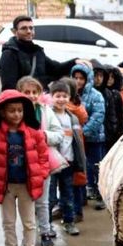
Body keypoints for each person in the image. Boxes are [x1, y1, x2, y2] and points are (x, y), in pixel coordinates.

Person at [0, 90, 50, 246]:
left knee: (29, 222)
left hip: (26, 185)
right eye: (12, 110)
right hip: (6, 186)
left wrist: (41, 174)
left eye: (20, 110)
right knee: (8, 221)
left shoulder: (34, 133)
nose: (17, 114)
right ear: (2, 112)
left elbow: (44, 156)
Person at [17, 76, 63, 246]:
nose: (31, 96)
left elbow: (58, 134)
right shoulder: (14, 111)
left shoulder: (45, 111)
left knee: (43, 201)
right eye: (26, 92)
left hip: (42, 162)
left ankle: (45, 232)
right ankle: (28, 236)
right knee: (26, 202)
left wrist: (44, 136)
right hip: (21, 164)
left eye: (34, 92)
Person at [0, 15, 79, 91]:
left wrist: (75, 62)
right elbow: (8, 87)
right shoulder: (9, 54)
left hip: (40, 100)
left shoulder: (37, 52)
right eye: (24, 28)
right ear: (14, 31)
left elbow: (56, 69)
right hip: (24, 102)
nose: (29, 31)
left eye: (31, 28)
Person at [47, 80, 84, 235]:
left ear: (69, 97)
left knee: (67, 194)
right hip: (51, 163)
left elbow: (77, 141)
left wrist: (80, 161)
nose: (61, 99)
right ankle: (46, 225)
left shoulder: (72, 118)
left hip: (68, 162)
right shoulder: (47, 115)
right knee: (49, 197)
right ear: (51, 97)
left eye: (64, 96)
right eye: (57, 96)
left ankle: (69, 222)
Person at [69, 64, 105, 205]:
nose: (78, 81)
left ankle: (101, 192)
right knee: (81, 168)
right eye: (75, 78)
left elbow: (98, 116)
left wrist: (83, 132)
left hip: (94, 138)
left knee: (96, 166)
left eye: (81, 78)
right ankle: (85, 192)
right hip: (78, 140)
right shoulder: (70, 94)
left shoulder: (96, 95)